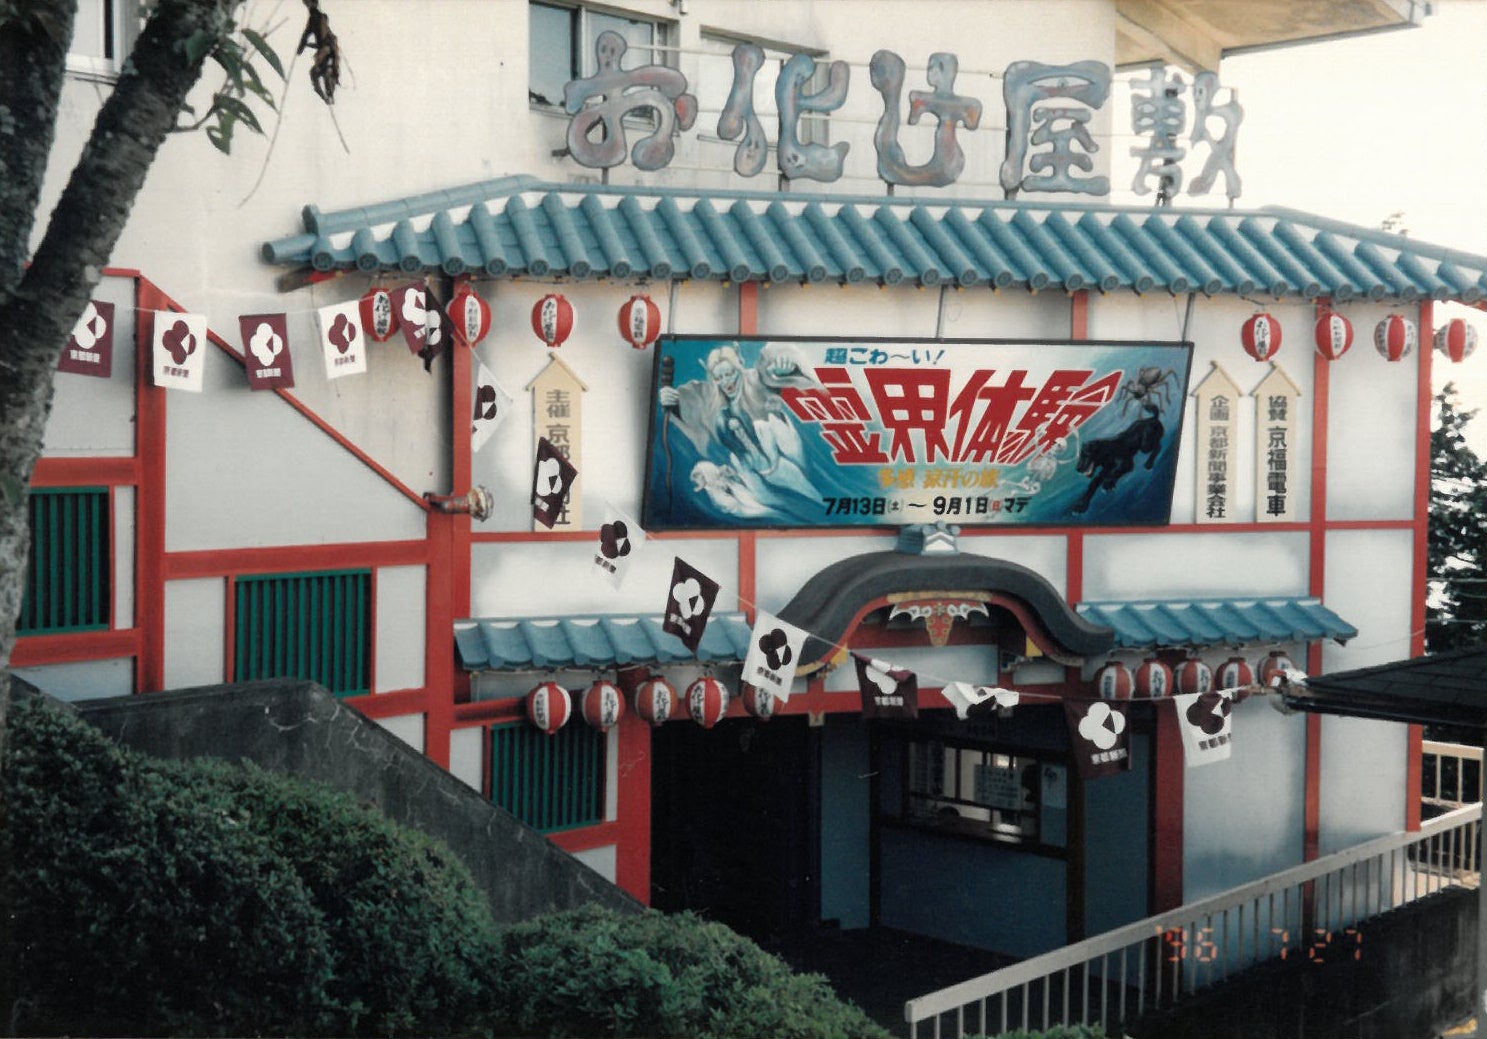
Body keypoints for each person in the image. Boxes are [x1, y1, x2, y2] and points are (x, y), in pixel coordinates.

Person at [659, 342, 821, 503]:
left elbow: (773, 376)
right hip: (760, 470)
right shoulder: (712, 399)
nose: (725, 382)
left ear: (739, 368)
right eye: (719, 378)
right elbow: (688, 403)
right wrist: (671, 401)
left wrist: (782, 371)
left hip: (787, 451)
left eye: (730, 374)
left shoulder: (756, 379)